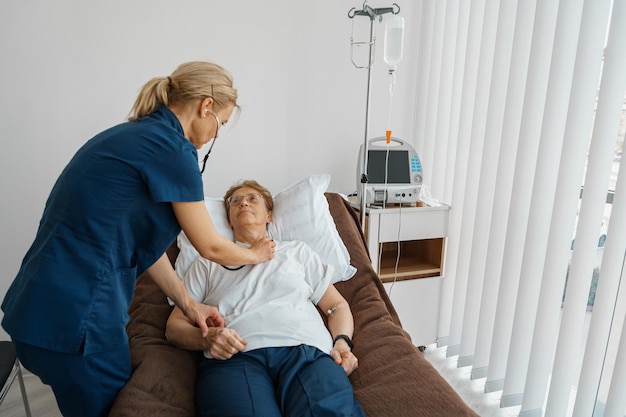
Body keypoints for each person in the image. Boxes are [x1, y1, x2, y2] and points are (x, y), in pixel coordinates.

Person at [1, 61, 275, 417]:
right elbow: (208, 244)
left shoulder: (128, 136)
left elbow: (143, 249)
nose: (215, 136)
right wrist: (255, 254)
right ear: (206, 107)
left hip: (35, 314)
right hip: (79, 324)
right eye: (220, 124)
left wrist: (190, 305)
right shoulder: (174, 149)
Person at [165, 180, 366, 417]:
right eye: (235, 202)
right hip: (235, 357)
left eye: (252, 198)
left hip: (307, 354)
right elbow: (174, 327)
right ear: (229, 220)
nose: (243, 203)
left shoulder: (296, 252)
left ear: (269, 215)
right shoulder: (207, 263)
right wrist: (207, 340)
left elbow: (336, 305)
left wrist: (342, 343)